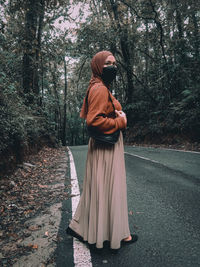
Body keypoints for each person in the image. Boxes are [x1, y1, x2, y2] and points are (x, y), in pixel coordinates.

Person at [66, 50, 138, 251]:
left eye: (114, 63)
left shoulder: (100, 87)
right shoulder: (98, 88)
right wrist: (120, 121)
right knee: (110, 188)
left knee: (101, 189)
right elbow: (94, 120)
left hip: (105, 147)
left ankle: (91, 229)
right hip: (106, 148)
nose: (112, 67)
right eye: (107, 63)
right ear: (98, 66)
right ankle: (117, 236)